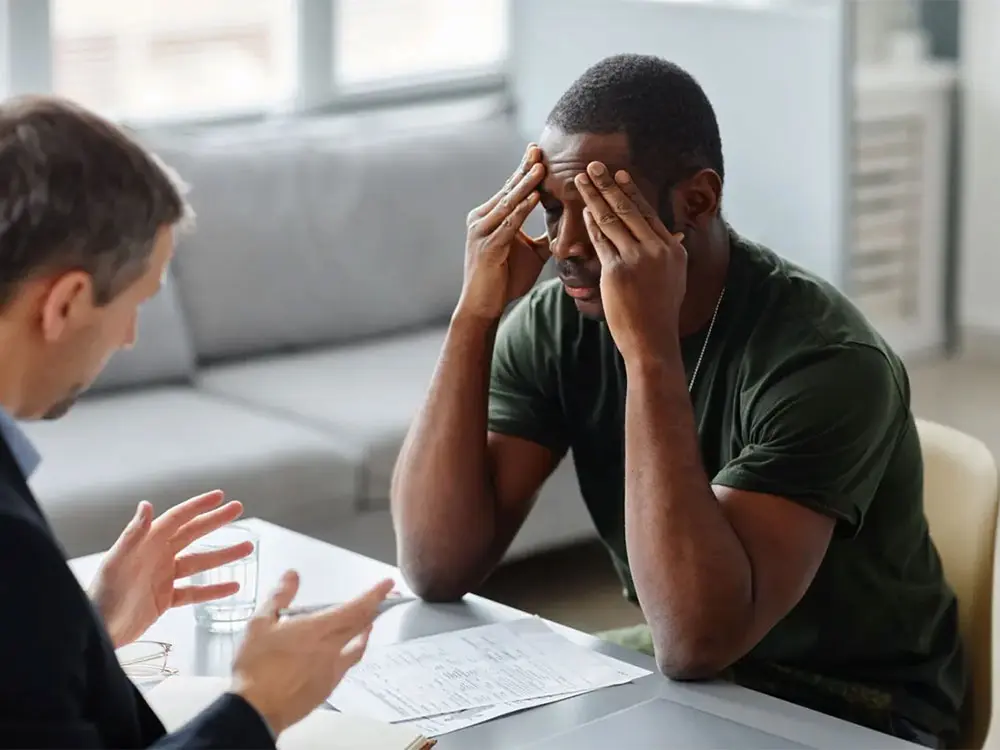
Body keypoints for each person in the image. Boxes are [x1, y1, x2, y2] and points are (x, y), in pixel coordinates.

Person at [391, 53, 965, 747]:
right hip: (691, 666)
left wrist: (649, 352)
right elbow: (434, 564)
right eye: (552, 210)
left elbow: (697, 642)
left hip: (858, 704)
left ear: (696, 200)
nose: (565, 246)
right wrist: (474, 317)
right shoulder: (558, 321)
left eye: (601, 212)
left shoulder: (828, 363)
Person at [0, 95, 394, 749]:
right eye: (136, 304)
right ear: (66, 302)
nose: (128, 338)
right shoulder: (12, 553)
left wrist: (84, 629)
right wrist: (257, 706)